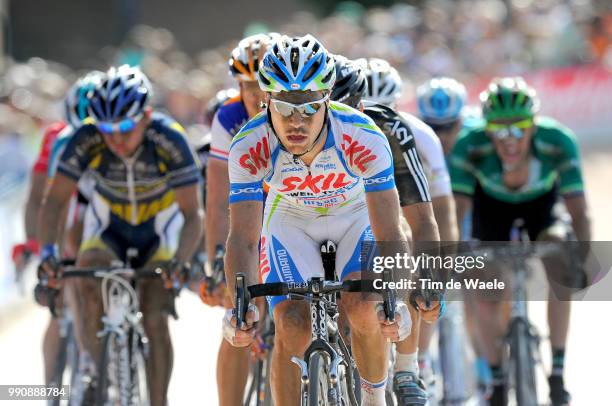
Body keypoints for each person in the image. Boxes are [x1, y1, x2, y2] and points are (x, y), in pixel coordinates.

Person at [222, 34, 415, 406]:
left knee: (364, 307)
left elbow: (390, 229)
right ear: (265, 101)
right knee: (291, 325)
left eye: (310, 107)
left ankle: (374, 399)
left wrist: (398, 299)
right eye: (285, 106)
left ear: (327, 98)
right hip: (291, 221)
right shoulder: (248, 145)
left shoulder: (362, 135)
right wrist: (240, 307)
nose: (298, 121)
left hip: (353, 216)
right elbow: (244, 238)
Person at [38, 65, 203, 406]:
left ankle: (158, 400)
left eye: (125, 127)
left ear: (145, 116)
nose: (115, 139)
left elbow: (192, 215)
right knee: (87, 275)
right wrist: (48, 255)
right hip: (108, 231)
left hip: (158, 234)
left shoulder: (169, 139)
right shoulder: (85, 138)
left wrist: (180, 263)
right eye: (106, 129)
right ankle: (99, 376)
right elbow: (54, 202)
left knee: (155, 313)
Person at [449, 76, 591, 406]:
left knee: (561, 261)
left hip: (542, 209)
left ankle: (557, 373)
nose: (508, 139)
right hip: (491, 210)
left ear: (534, 125)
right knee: (484, 288)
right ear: (486, 127)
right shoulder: (470, 145)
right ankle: (497, 378)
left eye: (518, 128)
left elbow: (580, 213)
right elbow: (455, 213)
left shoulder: (557, 141)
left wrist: (582, 262)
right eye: (498, 129)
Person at [332, 55, 444, 405]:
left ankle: (407, 367)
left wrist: (430, 278)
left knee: (402, 238)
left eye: (344, 108)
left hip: (379, 215)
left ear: (361, 106)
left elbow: (423, 218)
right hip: (321, 219)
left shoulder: (389, 128)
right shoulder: (295, 131)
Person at [362, 57, 457, 404]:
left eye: (383, 107)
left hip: (402, 209)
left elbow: (440, 211)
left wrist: (438, 275)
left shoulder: (418, 134)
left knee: (413, 258)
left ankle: (413, 362)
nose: (375, 117)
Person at [12, 71, 101, 385]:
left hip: (101, 209)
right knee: (63, 295)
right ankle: (51, 388)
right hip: (68, 207)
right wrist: (36, 244)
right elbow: (38, 198)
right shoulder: (55, 137)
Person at [203, 33, 277, 406]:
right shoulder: (228, 117)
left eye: (262, 85)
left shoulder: (294, 116)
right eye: (246, 85)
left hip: (290, 213)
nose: (254, 95)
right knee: (239, 316)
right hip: (247, 212)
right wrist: (216, 261)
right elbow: (216, 202)